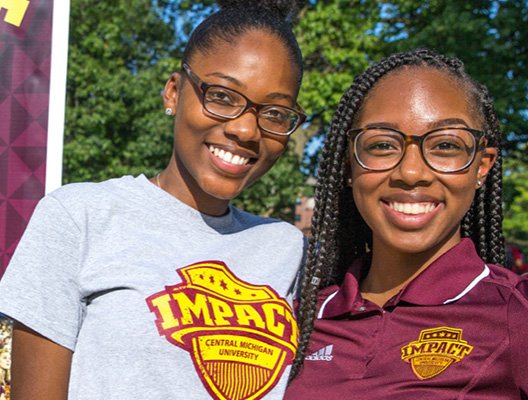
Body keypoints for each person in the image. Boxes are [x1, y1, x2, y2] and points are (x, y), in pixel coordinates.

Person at [0, 1, 307, 399]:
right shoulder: (80, 216)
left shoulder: (287, 248)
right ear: (174, 92)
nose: (247, 129)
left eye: (276, 113)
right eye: (224, 96)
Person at [285, 49, 528, 399]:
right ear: (348, 166)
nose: (411, 172)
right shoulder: (301, 317)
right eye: (383, 145)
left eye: (445, 146)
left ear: (481, 166)